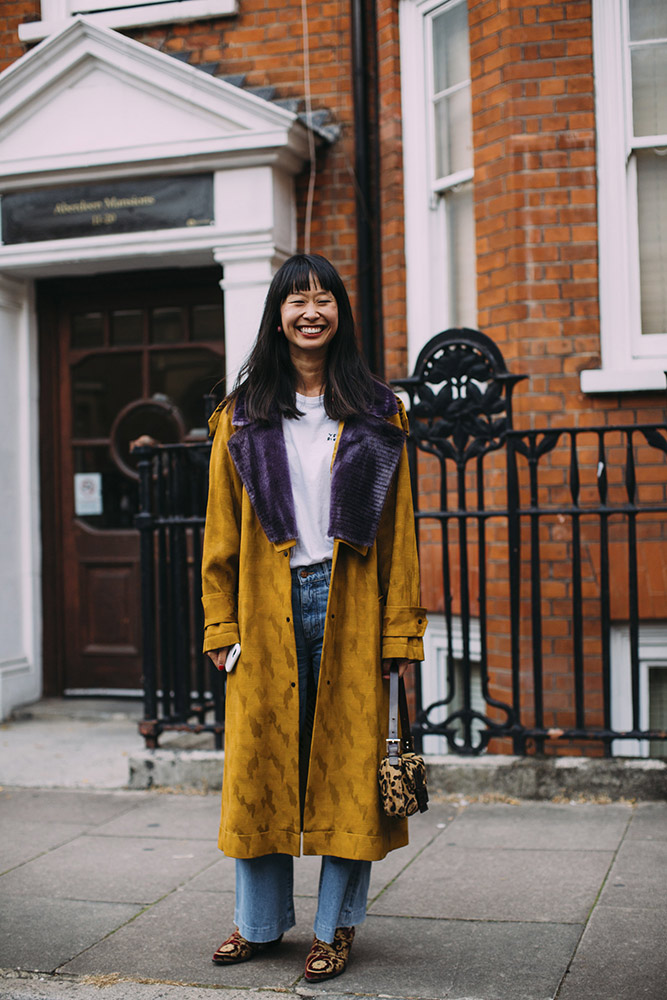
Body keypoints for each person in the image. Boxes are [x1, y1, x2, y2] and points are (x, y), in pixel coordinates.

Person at [201, 252, 426, 983]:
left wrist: (400, 633)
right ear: (276, 316)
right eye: (296, 300)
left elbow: (399, 533)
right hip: (266, 607)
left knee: (347, 769)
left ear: (339, 313)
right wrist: (220, 627)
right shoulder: (239, 416)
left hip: (351, 601)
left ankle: (336, 928)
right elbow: (220, 533)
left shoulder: (377, 411)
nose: (309, 311)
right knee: (260, 768)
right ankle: (259, 926)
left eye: (322, 298)